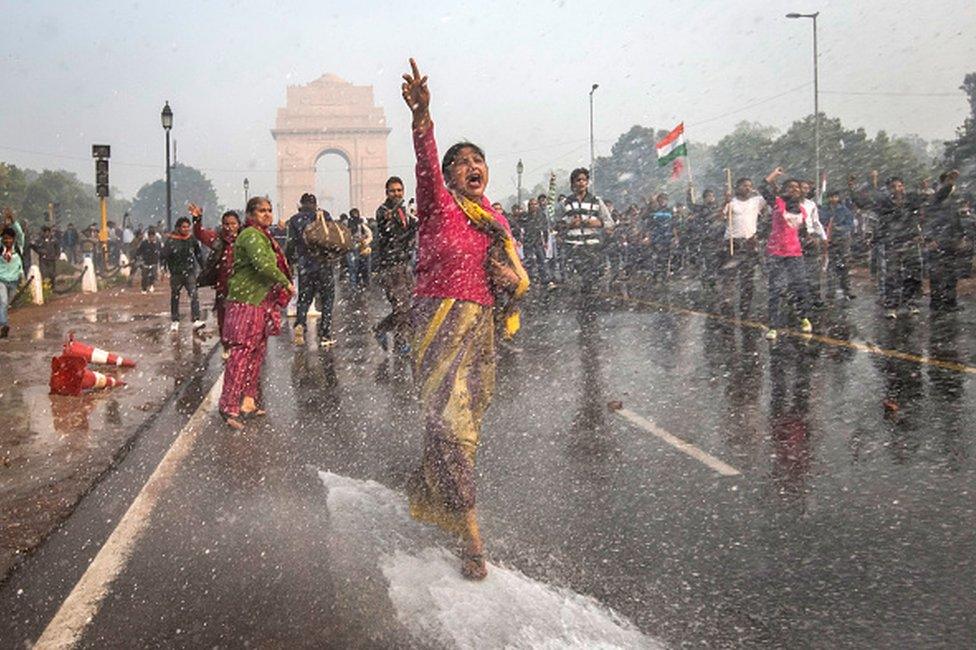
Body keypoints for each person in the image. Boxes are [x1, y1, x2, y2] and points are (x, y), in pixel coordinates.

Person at [402, 58, 524, 580]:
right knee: (450, 426)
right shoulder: (439, 207)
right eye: (463, 161)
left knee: (459, 431)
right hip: (439, 328)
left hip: (481, 337)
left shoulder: (497, 222)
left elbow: (519, 284)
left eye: (480, 160)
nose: (473, 166)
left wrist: (510, 278)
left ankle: (438, 495)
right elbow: (426, 163)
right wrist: (423, 119)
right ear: (449, 176)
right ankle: (472, 537)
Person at [218, 196, 294, 430]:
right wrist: (286, 282)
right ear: (250, 214)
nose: (267, 214)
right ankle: (229, 406)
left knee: (255, 354)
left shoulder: (263, 236)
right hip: (246, 301)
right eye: (261, 211)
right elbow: (263, 265)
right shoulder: (251, 236)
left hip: (260, 301)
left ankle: (248, 401)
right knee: (242, 355)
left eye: (269, 210)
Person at [760, 168, 813, 340]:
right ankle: (773, 326)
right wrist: (773, 174)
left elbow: (803, 232)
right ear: (784, 190)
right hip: (776, 253)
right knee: (776, 288)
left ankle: (803, 317)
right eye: (790, 187)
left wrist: (810, 240)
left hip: (795, 254)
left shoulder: (803, 210)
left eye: (797, 188)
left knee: (800, 287)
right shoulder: (777, 203)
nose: (794, 190)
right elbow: (763, 187)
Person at [372, 175, 418, 353]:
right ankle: (401, 342)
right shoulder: (383, 211)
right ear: (386, 192)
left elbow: (409, 232)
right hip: (390, 265)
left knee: (409, 305)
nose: (396, 193)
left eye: (399, 190)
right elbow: (387, 228)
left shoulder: (404, 211)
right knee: (401, 305)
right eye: (392, 191)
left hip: (404, 263)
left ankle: (382, 328)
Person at [286, 193, 337, 347]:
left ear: (301, 204)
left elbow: (291, 244)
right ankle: (325, 333)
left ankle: (300, 324)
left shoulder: (295, 220)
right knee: (327, 299)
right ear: (315, 204)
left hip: (305, 265)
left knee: (304, 298)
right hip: (324, 264)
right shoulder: (324, 215)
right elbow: (333, 237)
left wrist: (289, 260)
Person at [874, 176, 925, 319]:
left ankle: (912, 303)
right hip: (893, 243)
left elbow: (920, 213)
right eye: (893, 187)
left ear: (903, 186)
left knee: (914, 273)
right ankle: (892, 306)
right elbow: (882, 223)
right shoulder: (885, 205)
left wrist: (917, 234)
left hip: (911, 241)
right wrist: (884, 238)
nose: (897, 189)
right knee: (892, 275)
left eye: (899, 186)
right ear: (889, 189)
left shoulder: (911, 201)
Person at [557, 167, 612, 299]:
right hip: (573, 245)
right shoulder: (565, 203)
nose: (581, 183)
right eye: (578, 180)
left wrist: (596, 223)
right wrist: (570, 225)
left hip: (592, 245)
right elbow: (555, 225)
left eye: (584, 180)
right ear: (573, 184)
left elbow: (609, 222)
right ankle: (584, 301)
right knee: (581, 275)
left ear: (587, 183)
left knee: (593, 276)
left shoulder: (596, 201)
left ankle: (588, 303)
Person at [190, 203, 241, 339]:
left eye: (233, 224)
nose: (230, 227)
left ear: (239, 224)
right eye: (226, 224)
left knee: (241, 318)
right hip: (223, 285)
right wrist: (197, 219)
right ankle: (226, 344)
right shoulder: (218, 239)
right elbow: (200, 234)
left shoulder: (245, 239)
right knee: (223, 317)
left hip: (242, 286)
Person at [719, 178, 766, 316]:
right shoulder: (731, 203)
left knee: (748, 277)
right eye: (744, 185)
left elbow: (770, 194)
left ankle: (745, 305)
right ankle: (726, 302)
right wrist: (725, 202)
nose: (748, 188)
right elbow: (719, 217)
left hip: (750, 243)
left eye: (750, 186)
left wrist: (774, 176)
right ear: (737, 187)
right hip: (732, 243)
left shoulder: (756, 202)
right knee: (730, 275)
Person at [925, 170, 965, 314]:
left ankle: (950, 302)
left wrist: (961, 236)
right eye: (949, 182)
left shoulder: (952, 200)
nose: (954, 186)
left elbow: (956, 219)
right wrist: (930, 238)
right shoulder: (936, 198)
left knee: (951, 273)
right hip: (937, 241)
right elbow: (928, 220)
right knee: (936, 274)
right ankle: (936, 303)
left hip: (950, 240)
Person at [161, 216, 205, 332]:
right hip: (176, 273)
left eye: (187, 227)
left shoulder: (191, 239)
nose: (186, 229)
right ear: (178, 228)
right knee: (175, 296)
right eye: (184, 227)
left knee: (193, 294)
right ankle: (175, 320)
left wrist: (203, 267)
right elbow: (164, 256)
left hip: (190, 272)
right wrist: (163, 268)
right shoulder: (171, 240)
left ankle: (196, 319)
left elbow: (198, 254)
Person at [820, 190, 857, 300]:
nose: (833, 199)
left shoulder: (844, 210)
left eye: (835, 196)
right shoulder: (824, 210)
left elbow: (850, 225)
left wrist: (838, 228)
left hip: (842, 240)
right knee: (831, 265)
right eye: (831, 197)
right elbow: (821, 223)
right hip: (830, 240)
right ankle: (831, 290)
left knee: (844, 264)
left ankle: (847, 289)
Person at [0, 227, 24, 339]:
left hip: (14, 281)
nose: (7, 241)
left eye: (9, 238)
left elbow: (20, 233)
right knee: (3, 302)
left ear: (13, 239)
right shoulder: (0, 249)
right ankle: (3, 325)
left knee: (8, 304)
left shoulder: (18, 248)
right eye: (5, 238)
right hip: (1, 280)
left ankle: (2, 321)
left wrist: (14, 222)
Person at [345, 207, 373, 291]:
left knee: (361, 267)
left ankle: (361, 284)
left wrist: (364, 241)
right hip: (352, 247)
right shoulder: (347, 224)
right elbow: (346, 235)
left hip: (360, 248)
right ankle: (354, 285)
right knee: (353, 267)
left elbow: (369, 235)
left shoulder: (361, 224)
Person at [136, 227, 162, 293]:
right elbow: (139, 251)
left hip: (154, 262)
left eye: (153, 236)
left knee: (153, 275)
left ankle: (151, 285)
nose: (152, 238)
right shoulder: (144, 243)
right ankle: (144, 288)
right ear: (148, 236)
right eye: (150, 236)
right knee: (144, 276)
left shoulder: (157, 243)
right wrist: (138, 258)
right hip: (145, 262)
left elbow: (161, 251)